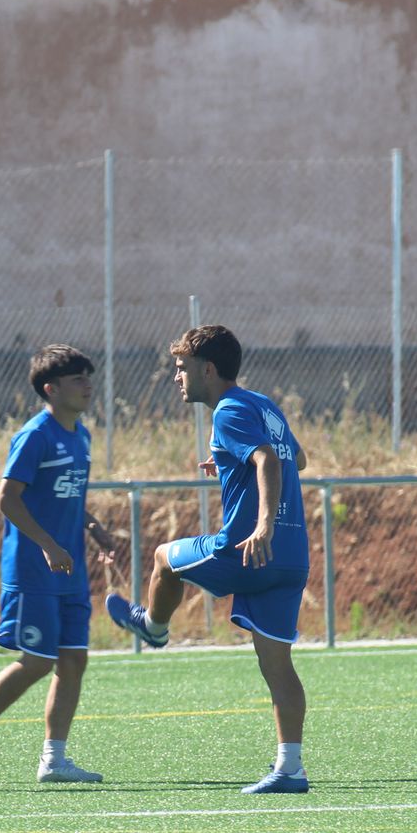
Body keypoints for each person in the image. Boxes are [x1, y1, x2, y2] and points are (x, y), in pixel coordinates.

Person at [105, 325, 312, 794]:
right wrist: (229, 462)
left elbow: (269, 461)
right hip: (292, 557)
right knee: (277, 665)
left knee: (162, 556)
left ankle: (153, 627)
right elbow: (296, 458)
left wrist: (261, 524)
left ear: (209, 370)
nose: (177, 377)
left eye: (182, 368)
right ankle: (290, 769)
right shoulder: (264, 404)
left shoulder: (230, 410)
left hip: (242, 551)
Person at [0, 345, 117, 784]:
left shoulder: (81, 435)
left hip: (71, 570)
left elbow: (65, 495)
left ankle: (53, 760)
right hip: (34, 568)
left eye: (88, 377)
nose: (87, 386)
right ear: (51, 389)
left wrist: (93, 525)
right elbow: (7, 498)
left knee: (74, 661)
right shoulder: (36, 434)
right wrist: (46, 544)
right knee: (39, 661)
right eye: (77, 379)